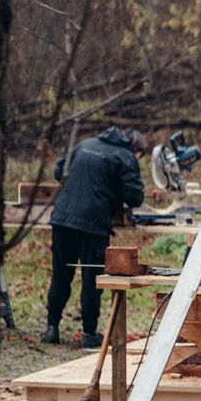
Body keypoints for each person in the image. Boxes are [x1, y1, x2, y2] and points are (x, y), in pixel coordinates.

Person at [42, 127, 146, 346]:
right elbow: (134, 197)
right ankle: (89, 334)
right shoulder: (125, 157)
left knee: (61, 275)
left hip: (62, 219)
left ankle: (52, 328)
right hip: (93, 223)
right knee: (92, 278)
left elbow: (59, 172)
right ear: (134, 147)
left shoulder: (85, 144)